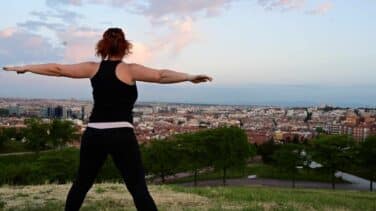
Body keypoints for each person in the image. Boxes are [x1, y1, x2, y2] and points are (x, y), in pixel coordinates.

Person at [2, 27, 213, 211]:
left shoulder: (92, 68)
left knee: (82, 184)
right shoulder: (130, 70)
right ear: (125, 47)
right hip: (122, 134)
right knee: (138, 188)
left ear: (102, 46)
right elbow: (161, 75)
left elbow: (58, 69)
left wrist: (27, 67)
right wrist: (189, 76)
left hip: (94, 134)